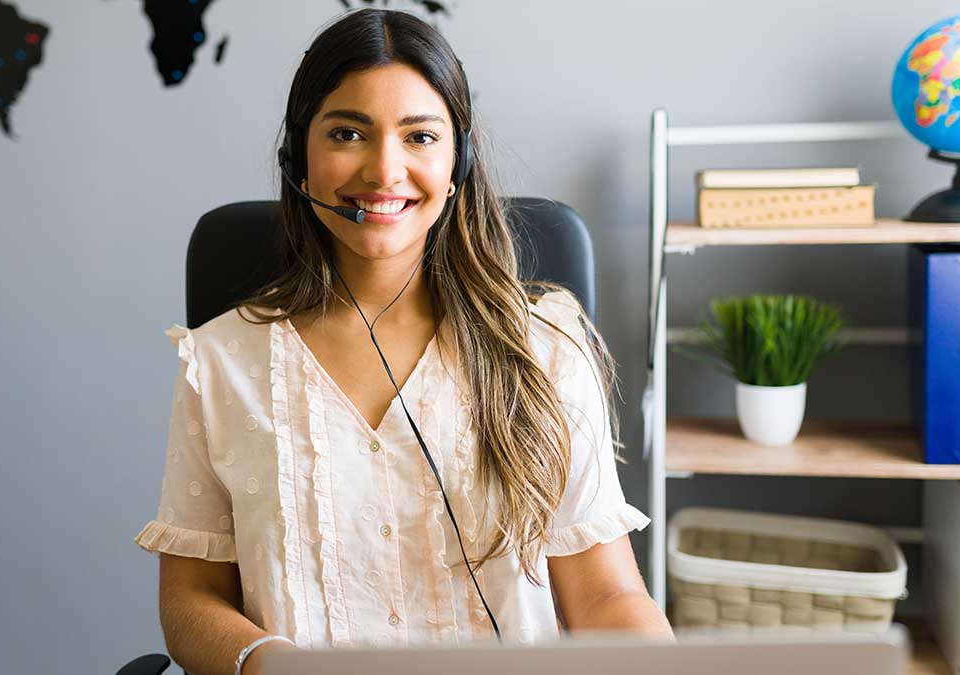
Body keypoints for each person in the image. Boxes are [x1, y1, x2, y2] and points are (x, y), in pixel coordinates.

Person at [134, 8, 673, 675]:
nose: (384, 170)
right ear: (299, 158)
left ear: (458, 162)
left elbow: (607, 595)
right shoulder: (219, 362)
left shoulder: (544, 346)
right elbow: (190, 598)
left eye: (419, 136)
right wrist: (266, 661)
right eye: (348, 132)